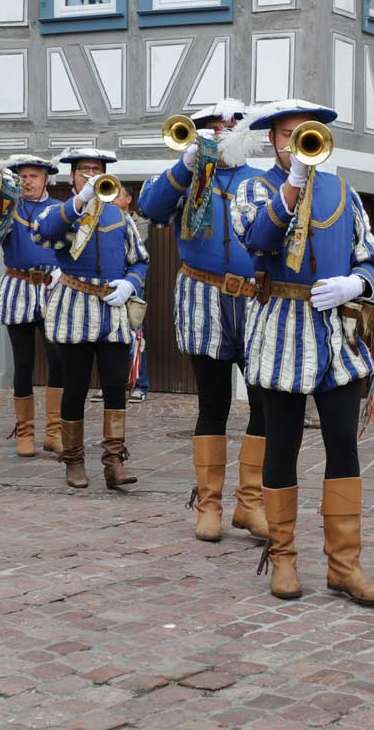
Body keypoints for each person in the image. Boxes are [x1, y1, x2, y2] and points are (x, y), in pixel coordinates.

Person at [231, 99, 374, 606]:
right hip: (280, 329)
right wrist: (294, 181)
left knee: (344, 444)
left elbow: (368, 255)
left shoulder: (344, 191)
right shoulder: (254, 189)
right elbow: (258, 239)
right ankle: (283, 557)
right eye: (287, 134)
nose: (297, 142)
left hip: (335, 333)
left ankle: (345, 565)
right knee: (282, 446)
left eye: (306, 133)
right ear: (272, 140)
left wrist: (355, 284)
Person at [139, 99, 268, 543]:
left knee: (264, 404)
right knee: (212, 403)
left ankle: (250, 503)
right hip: (202, 296)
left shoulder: (263, 181)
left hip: (255, 301)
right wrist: (188, 162)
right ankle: (209, 505)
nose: (222, 132)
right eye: (214, 127)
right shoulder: (186, 178)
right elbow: (151, 207)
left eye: (231, 126)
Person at [34, 148, 148, 490]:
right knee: (75, 387)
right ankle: (73, 459)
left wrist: (129, 284)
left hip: (112, 310)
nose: (91, 175)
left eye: (97, 170)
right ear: (72, 176)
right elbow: (44, 233)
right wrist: (81, 199)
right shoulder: (60, 212)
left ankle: (114, 462)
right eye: (84, 170)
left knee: (115, 387)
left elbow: (140, 260)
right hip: (74, 308)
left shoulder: (120, 217)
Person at [0, 155, 65, 457]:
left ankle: (54, 432)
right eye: (23, 176)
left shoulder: (59, 209)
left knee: (59, 361)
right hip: (18, 287)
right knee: (23, 364)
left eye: (33, 176)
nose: (28, 181)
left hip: (53, 288)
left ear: (46, 179)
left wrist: (63, 273)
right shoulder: (8, 207)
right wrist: (3, 195)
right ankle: (25, 432)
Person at [92, 184, 150, 404]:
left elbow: (131, 249)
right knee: (105, 336)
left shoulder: (138, 222)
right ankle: (108, 385)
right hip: (107, 286)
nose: (113, 200)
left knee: (135, 336)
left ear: (128, 200)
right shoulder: (99, 218)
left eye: (118, 196)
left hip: (131, 285)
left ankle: (139, 384)